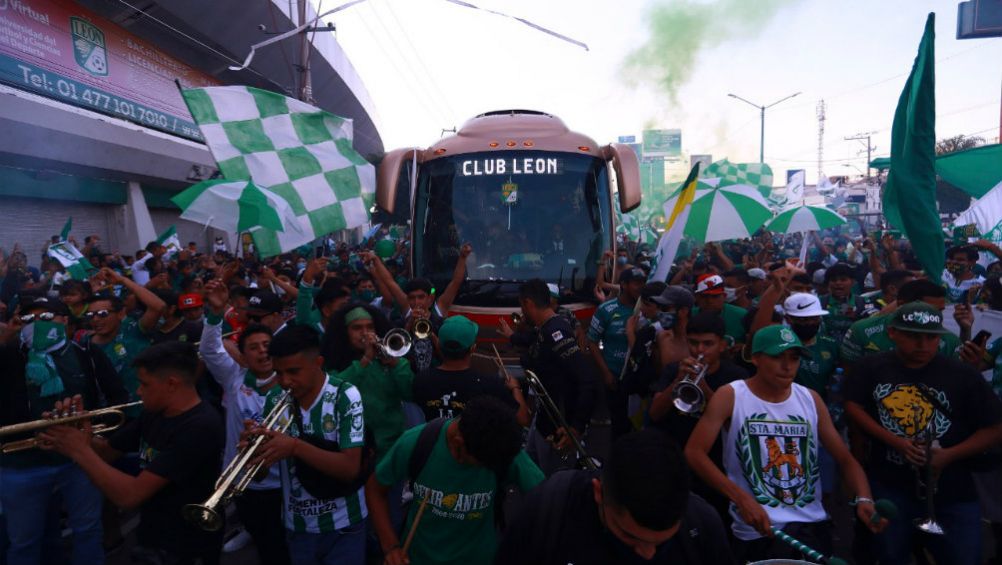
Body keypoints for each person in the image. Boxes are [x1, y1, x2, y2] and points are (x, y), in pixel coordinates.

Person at [685, 325, 885, 563]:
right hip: (757, 531)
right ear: (756, 358)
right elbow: (694, 452)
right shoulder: (731, 396)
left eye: (794, 357)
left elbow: (844, 458)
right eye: (777, 357)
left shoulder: (810, 399)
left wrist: (864, 498)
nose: (787, 365)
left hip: (812, 526)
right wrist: (741, 499)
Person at [844, 302, 1002, 565]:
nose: (923, 345)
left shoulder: (962, 375)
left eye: (931, 337)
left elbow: (996, 427)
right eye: (913, 336)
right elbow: (853, 405)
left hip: (954, 491)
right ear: (893, 333)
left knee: (963, 557)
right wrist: (896, 443)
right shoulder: (871, 367)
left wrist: (949, 455)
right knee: (889, 555)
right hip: (890, 485)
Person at [40, 341, 225, 565]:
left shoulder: (200, 426)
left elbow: (129, 496)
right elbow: (108, 453)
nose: (138, 391)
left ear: (171, 384)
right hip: (153, 534)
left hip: (186, 545)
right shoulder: (156, 412)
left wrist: (79, 450)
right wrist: (79, 431)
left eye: (144, 384)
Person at [0, 297, 128, 565]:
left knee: (88, 531)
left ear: (65, 321)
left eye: (46, 318)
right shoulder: (7, 355)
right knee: (25, 542)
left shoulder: (87, 354)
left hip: (78, 461)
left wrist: (94, 435)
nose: (36, 325)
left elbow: (117, 397)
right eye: (28, 320)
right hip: (22, 464)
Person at [495, 429, 731, 565]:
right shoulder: (549, 511)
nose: (648, 554)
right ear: (599, 493)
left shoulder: (702, 526)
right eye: (630, 536)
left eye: (662, 542)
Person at [368, 396, 544, 565]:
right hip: (417, 558)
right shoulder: (417, 442)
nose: (488, 468)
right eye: (481, 464)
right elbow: (375, 489)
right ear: (458, 442)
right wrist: (391, 547)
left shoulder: (498, 447)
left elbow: (545, 495)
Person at [251, 325, 368, 565]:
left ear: (318, 362)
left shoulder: (345, 395)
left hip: (344, 526)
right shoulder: (274, 399)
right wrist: (252, 453)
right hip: (298, 528)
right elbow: (260, 475)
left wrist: (294, 447)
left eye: (293, 371)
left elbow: (350, 468)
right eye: (278, 373)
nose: (285, 381)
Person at [199, 280, 288, 565]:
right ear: (243, 355)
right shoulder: (234, 377)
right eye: (253, 347)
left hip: (283, 484)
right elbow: (211, 350)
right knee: (265, 542)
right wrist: (214, 314)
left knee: (284, 541)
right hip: (244, 484)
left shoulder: (292, 384)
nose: (262, 351)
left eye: (266, 345)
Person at [519, 279, 600, 473]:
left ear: (529, 303)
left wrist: (576, 428)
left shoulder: (556, 331)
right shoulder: (543, 328)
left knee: (555, 484)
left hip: (557, 428)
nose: (521, 312)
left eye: (522, 306)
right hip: (542, 420)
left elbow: (587, 379)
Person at [320, 303, 414, 461]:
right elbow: (332, 391)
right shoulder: (333, 363)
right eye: (357, 328)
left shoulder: (391, 360)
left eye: (370, 327)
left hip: (391, 448)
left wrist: (395, 364)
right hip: (352, 450)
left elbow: (410, 393)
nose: (365, 333)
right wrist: (365, 360)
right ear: (345, 332)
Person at [411, 315, 529, 426]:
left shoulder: (421, 381)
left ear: (439, 347)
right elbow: (523, 419)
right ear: (473, 348)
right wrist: (515, 387)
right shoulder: (488, 385)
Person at [86, 267, 167, 410]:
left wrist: (123, 280)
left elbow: (158, 306)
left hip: (150, 408)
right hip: (113, 417)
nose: (96, 319)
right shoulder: (86, 346)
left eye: (103, 314)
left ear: (120, 313)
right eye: (91, 315)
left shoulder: (132, 330)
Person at [840, 279, 964, 367]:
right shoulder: (862, 330)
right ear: (901, 304)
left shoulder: (950, 342)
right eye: (927, 309)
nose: (935, 315)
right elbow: (850, 372)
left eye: (940, 311)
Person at [588, 267, 644, 437]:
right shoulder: (606, 309)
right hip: (615, 378)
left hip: (639, 379)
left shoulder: (647, 309)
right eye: (636, 283)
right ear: (623, 285)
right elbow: (592, 342)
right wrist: (605, 373)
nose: (641, 287)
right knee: (619, 426)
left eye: (643, 283)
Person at [690, 273, 747, 348]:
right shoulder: (688, 315)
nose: (709, 301)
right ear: (697, 297)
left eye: (715, 296)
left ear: (724, 296)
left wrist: (743, 348)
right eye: (704, 296)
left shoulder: (742, 315)